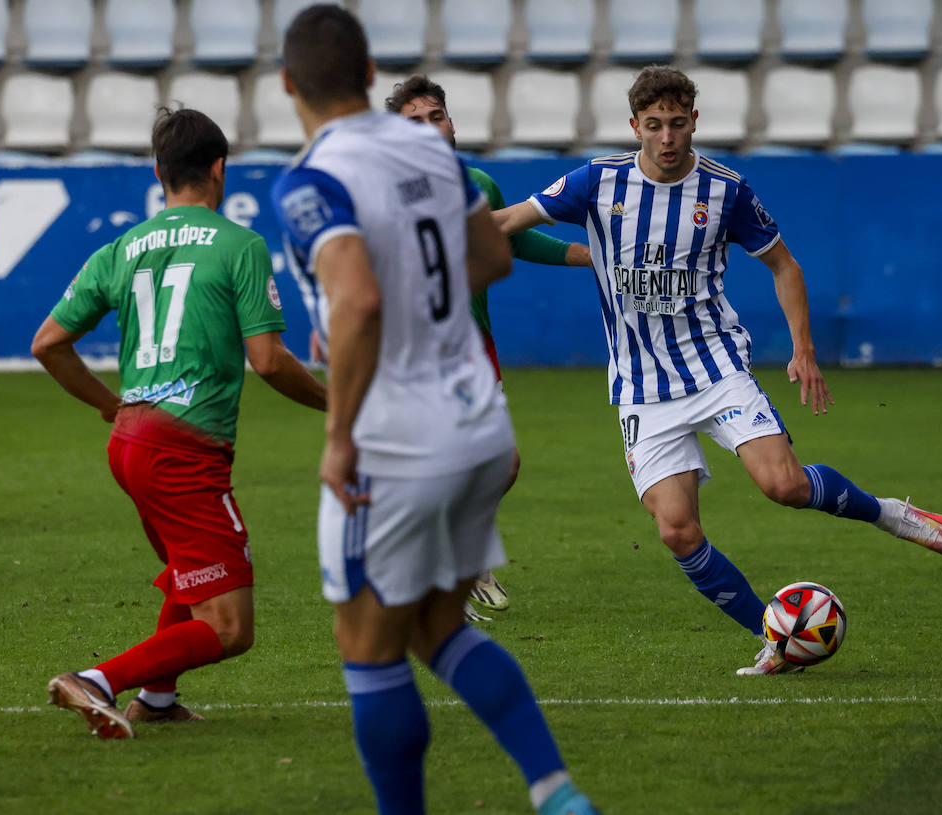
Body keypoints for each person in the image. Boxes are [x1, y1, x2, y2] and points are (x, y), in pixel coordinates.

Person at [493, 65, 942, 676]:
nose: (667, 137)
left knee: (786, 487)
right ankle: (777, 638)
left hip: (715, 365)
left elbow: (785, 267)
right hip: (642, 387)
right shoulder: (596, 182)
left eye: (678, 123)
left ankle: (893, 514)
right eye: (654, 125)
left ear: (695, 120)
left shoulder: (726, 191)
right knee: (676, 532)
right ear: (634, 126)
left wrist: (803, 350)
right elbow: (505, 224)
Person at [271, 6, 598, 815]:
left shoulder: (310, 180)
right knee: (437, 630)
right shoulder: (430, 149)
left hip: (396, 439)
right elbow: (492, 257)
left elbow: (357, 300)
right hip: (478, 420)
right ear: (371, 73)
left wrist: (338, 438)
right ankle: (556, 792)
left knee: (367, 650)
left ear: (287, 86)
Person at [31, 107, 327, 739]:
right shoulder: (240, 245)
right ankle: (97, 680)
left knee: (192, 576)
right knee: (228, 626)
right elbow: (270, 361)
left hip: (131, 442)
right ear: (221, 170)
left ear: (159, 173)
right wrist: (339, 404)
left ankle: (156, 699)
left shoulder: (120, 249)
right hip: (183, 451)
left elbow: (48, 343)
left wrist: (111, 406)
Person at [383, 74, 593, 621]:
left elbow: (516, 239)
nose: (429, 129)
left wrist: (591, 256)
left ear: (451, 122)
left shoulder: (478, 184)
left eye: (436, 116)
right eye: (413, 123)